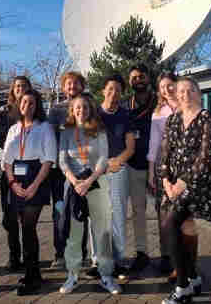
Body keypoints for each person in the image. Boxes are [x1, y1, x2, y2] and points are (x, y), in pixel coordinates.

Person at [159, 77, 211, 304]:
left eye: (189, 90)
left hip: (196, 184)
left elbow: (204, 157)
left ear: (198, 93)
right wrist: (166, 181)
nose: (185, 94)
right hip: (172, 184)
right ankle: (192, 277)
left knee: (169, 224)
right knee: (183, 227)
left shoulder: (207, 118)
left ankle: (182, 286)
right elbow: (165, 152)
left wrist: (180, 185)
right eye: (181, 91)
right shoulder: (173, 119)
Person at [58, 94, 122, 295]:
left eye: (85, 107)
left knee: (102, 231)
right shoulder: (66, 132)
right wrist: (74, 180)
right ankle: (73, 275)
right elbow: (62, 161)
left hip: (95, 183)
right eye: (77, 107)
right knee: (74, 233)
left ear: (90, 109)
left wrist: (89, 180)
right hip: (74, 186)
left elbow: (103, 159)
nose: (81, 110)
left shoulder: (99, 130)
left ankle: (105, 274)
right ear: (72, 110)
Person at [2, 89, 56, 295]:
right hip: (16, 179)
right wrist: (13, 183)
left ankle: (32, 275)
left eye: (32, 103)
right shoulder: (13, 129)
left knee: (28, 226)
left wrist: (34, 185)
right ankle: (32, 273)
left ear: (37, 106)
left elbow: (49, 159)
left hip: (37, 177)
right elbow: (6, 161)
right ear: (19, 104)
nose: (28, 106)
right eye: (24, 102)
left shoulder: (45, 128)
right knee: (22, 226)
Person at [47, 71, 88, 268]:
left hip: (83, 169)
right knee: (60, 211)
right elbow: (51, 138)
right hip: (60, 170)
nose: (72, 87)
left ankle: (81, 252)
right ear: (64, 87)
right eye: (68, 84)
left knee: (81, 211)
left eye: (76, 83)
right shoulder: (56, 110)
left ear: (82, 86)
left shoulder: (89, 107)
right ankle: (60, 253)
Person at [96, 74, 134, 280]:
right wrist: (102, 165)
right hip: (97, 170)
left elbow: (130, 147)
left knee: (118, 215)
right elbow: (88, 143)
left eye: (118, 90)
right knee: (99, 216)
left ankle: (119, 260)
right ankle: (98, 260)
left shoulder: (125, 115)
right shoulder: (93, 114)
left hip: (119, 169)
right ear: (103, 90)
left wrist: (116, 162)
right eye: (110, 89)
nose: (114, 93)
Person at [123, 64, 158, 274]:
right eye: (134, 77)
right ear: (130, 82)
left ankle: (168, 254)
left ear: (148, 78)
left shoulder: (159, 102)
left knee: (164, 212)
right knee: (138, 211)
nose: (138, 80)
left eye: (142, 76)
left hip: (160, 166)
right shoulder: (125, 104)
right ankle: (142, 252)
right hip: (135, 165)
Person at [0, 76, 32, 272]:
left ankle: (28, 256)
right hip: (9, 168)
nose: (20, 89)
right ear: (12, 90)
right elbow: (0, 137)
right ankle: (13, 255)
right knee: (9, 216)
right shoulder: (4, 111)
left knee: (27, 216)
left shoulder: (34, 110)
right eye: (17, 86)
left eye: (24, 86)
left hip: (30, 171)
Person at [147, 72, 179, 276]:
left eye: (170, 85)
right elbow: (154, 142)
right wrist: (151, 171)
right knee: (163, 213)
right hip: (163, 167)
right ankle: (166, 255)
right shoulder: (158, 112)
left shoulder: (189, 107)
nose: (167, 89)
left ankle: (183, 258)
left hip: (184, 168)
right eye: (162, 87)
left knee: (183, 214)